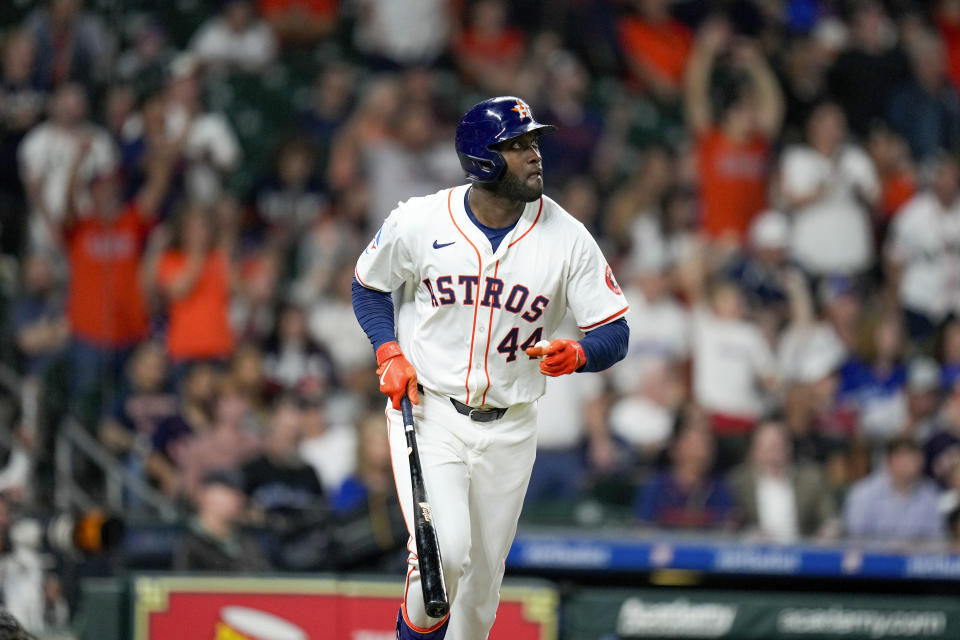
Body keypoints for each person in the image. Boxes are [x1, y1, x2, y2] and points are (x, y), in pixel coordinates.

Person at [351, 96, 629, 639]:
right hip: (431, 412)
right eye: (518, 145)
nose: (534, 155)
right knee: (442, 559)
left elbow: (614, 333)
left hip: (512, 425)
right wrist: (388, 349)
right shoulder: (421, 219)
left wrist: (579, 354)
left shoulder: (568, 236)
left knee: (478, 603)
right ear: (482, 159)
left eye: (534, 143)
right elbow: (368, 286)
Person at [727, 420, 838, 541]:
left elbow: (830, 518)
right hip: (754, 554)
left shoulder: (811, 479)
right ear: (754, 452)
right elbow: (729, 524)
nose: (771, 455)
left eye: (776, 446)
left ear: (788, 448)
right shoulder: (739, 481)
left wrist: (828, 530)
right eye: (765, 448)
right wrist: (746, 534)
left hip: (801, 550)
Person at [635, 418, 736, 530]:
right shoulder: (657, 486)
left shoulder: (719, 487)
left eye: (706, 446)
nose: (701, 453)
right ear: (675, 449)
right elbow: (643, 526)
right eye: (694, 445)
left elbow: (726, 527)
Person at [844, 436, 944, 542]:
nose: (912, 464)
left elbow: (936, 540)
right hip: (874, 556)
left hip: (915, 557)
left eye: (916, 458)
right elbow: (854, 538)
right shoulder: (863, 494)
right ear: (889, 461)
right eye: (905, 457)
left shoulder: (930, 493)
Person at [174, 469, 270, 572]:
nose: (238, 498)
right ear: (204, 494)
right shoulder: (184, 537)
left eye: (239, 492)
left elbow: (265, 576)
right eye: (228, 491)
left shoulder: (247, 540)